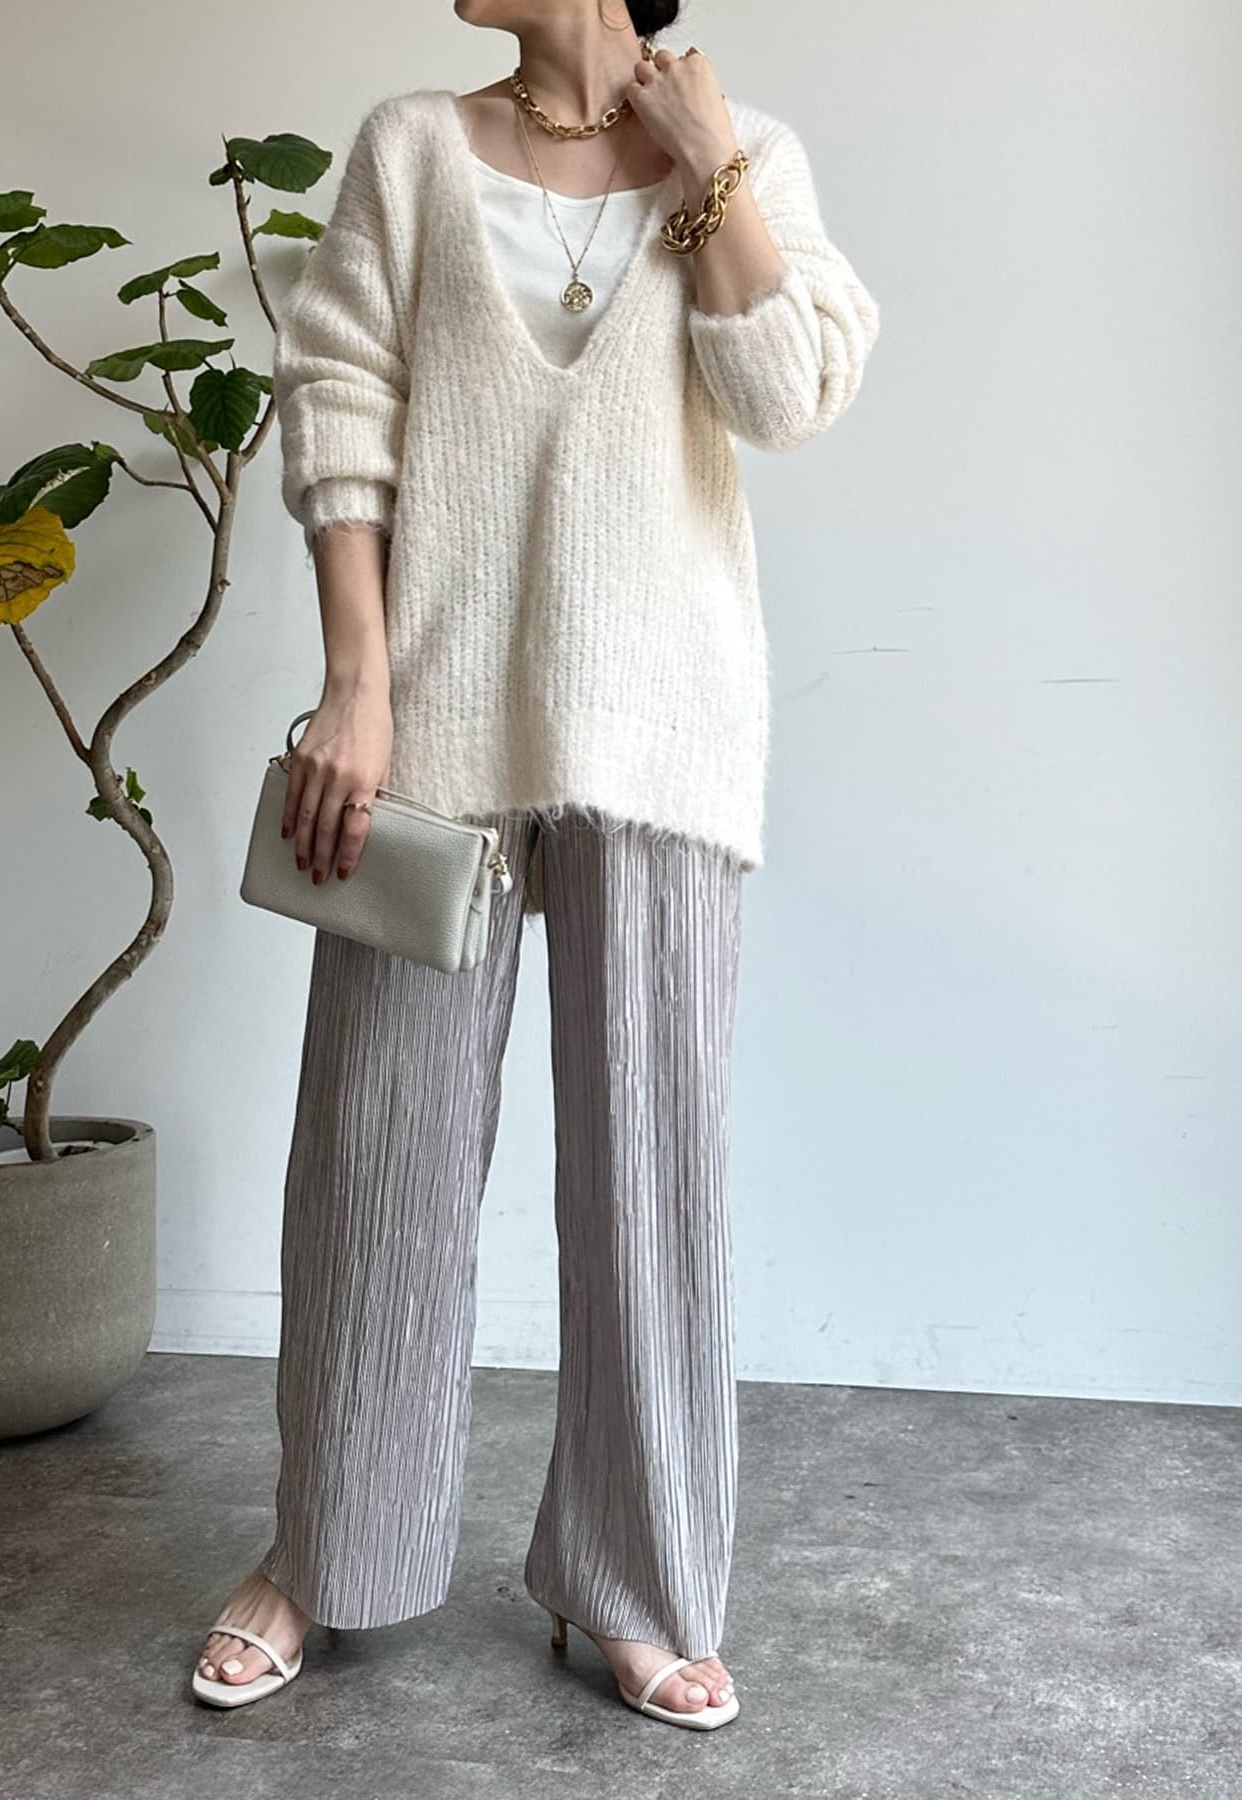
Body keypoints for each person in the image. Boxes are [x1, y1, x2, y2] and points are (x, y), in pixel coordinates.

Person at [193, 0, 881, 1730]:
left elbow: (791, 393)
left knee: (653, 1172)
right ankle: (326, 1548)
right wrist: (357, 686)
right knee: (377, 1154)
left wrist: (708, 169)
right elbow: (337, 405)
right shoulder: (414, 149)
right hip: (428, 729)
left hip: (661, 730)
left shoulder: (747, 153)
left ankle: (628, 1580)